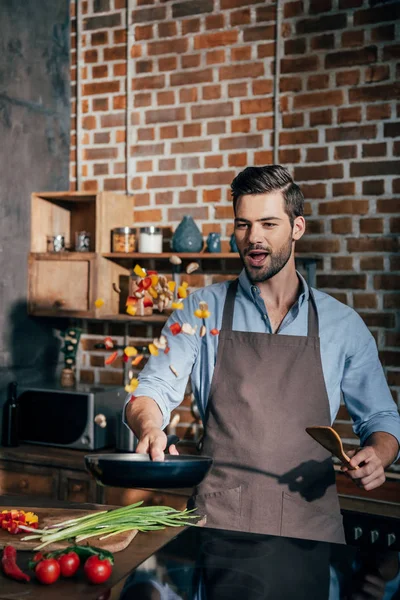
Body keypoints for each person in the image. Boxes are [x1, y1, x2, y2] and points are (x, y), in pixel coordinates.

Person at [125, 165, 400, 544]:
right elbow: (152, 387)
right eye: (243, 224)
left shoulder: (342, 323)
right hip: (219, 522)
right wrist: (150, 426)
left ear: (297, 228)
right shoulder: (199, 311)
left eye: (269, 224)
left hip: (311, 528)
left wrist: (380, 453)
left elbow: (382, 416)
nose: (253, 238)